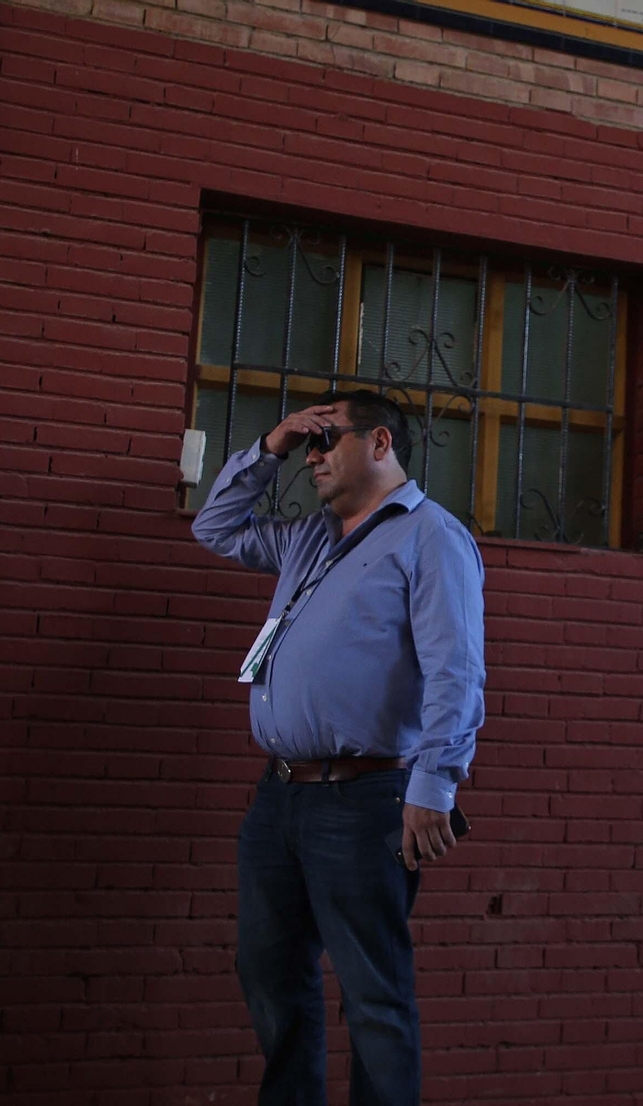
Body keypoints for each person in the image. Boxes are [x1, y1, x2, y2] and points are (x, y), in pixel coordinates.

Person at [192, 389, 485, 1105]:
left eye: (327, 439)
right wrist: (273, 444)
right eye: (309, 443)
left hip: (365, 799)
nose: (314, 456)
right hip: (281, 797)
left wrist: (434, 785)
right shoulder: (310, 538)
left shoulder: (430, 536)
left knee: (372, 993)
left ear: (380, 444)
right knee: (268, 970)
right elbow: (215, 527)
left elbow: (456, 667)